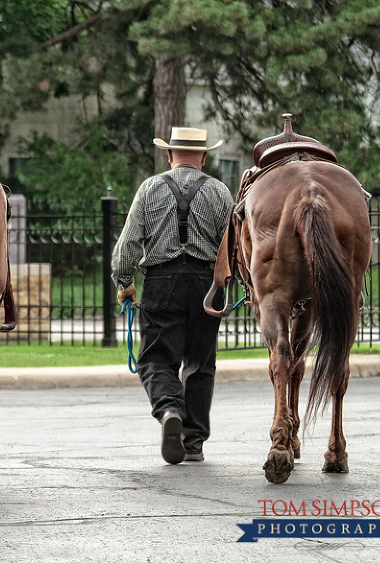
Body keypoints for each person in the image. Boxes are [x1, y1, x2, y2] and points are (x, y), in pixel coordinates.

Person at [111, 127, 233, 465]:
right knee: (200, 362)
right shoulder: (221, 192)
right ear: (204, 157)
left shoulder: (149, 188)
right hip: (208, 283)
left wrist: (125, 282)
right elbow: (234, 248)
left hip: (162, 281)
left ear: (169, 155)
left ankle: (168, 410)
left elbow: (127, 246)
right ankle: (193, 442)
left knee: (156, 358)